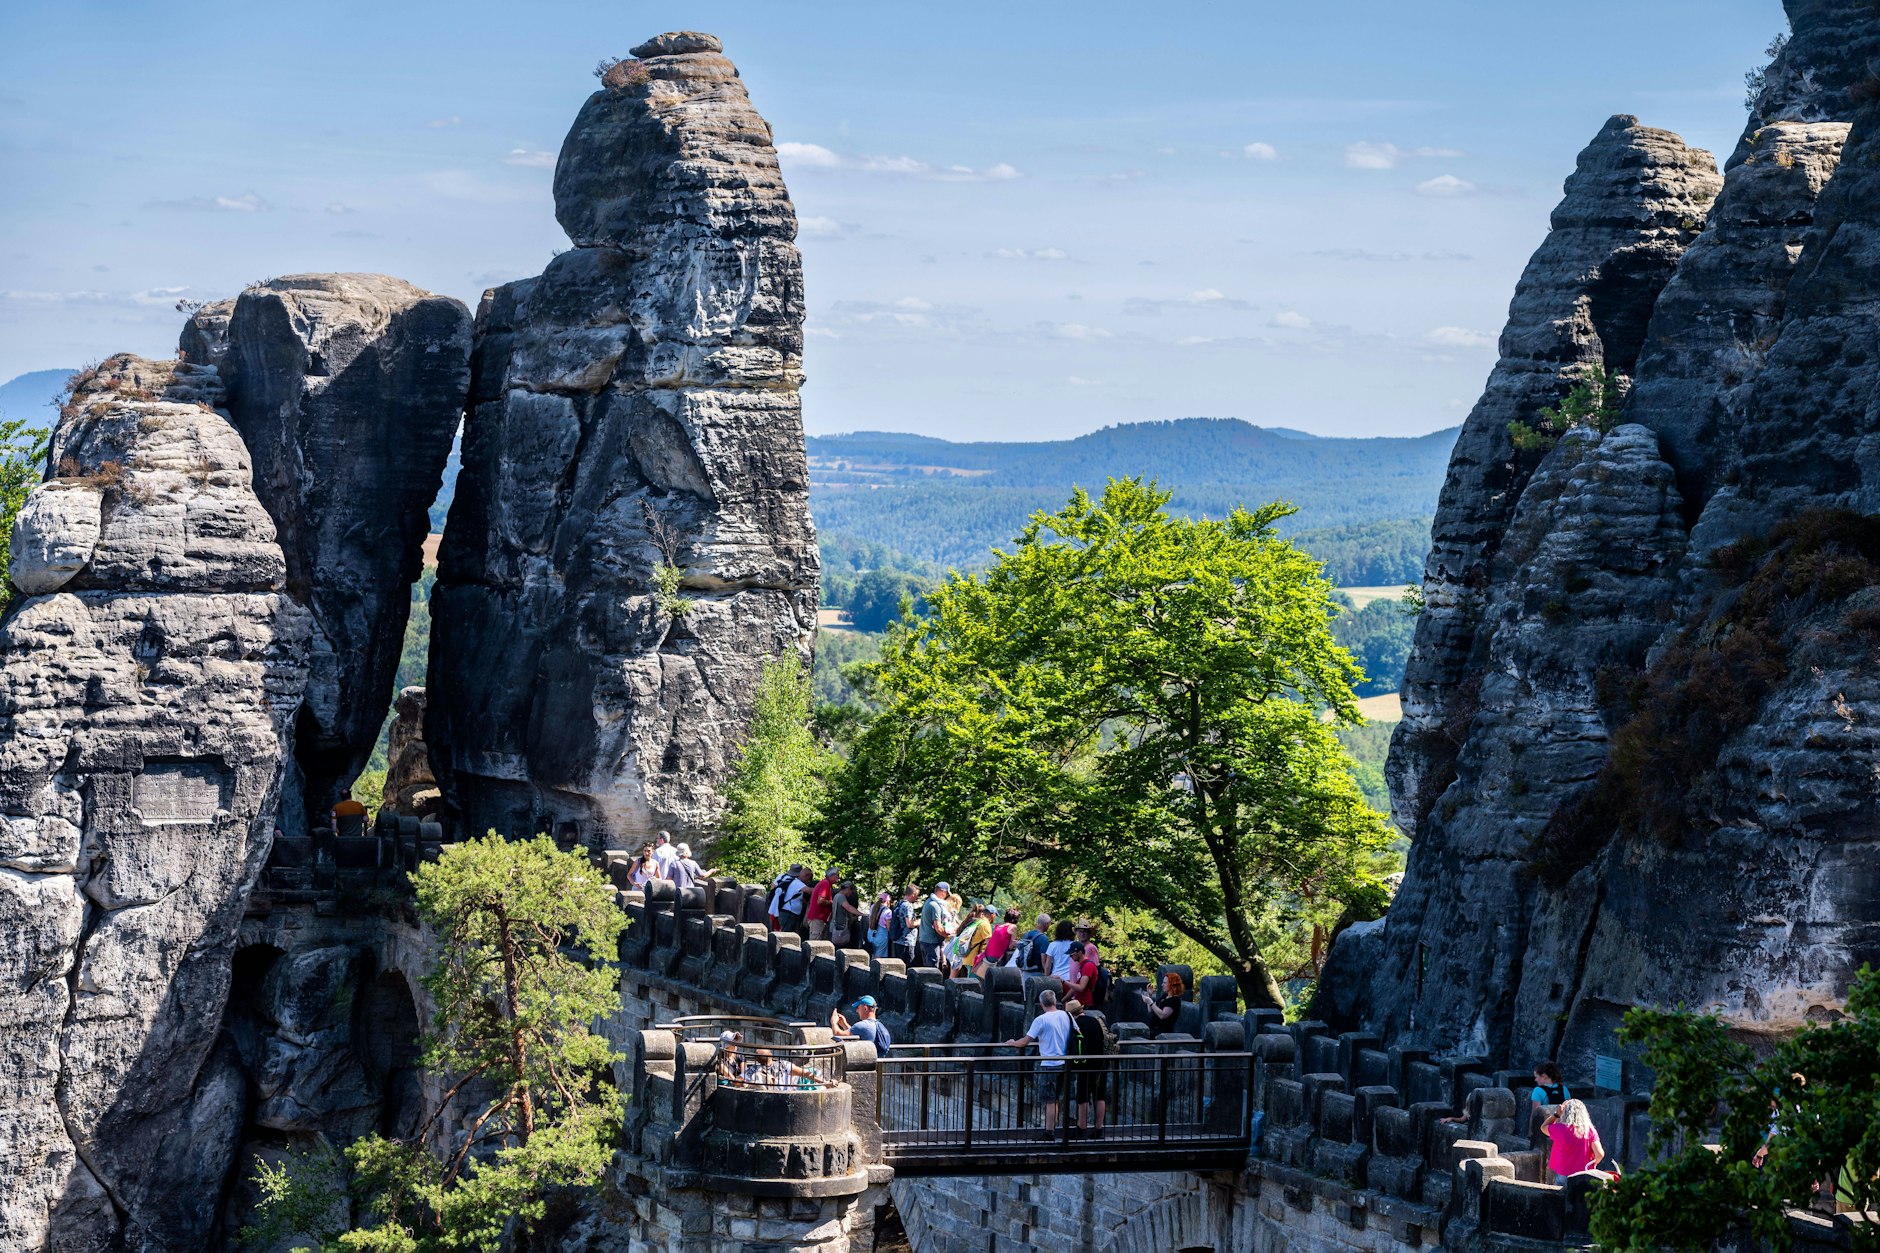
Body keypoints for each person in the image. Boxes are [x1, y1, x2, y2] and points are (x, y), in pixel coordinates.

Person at [1005, 989, 1074, 1136]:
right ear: (1055, 1001)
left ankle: (1049, 1132)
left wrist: (1013, 1043)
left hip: (1050, 1063)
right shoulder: (1066, 1015)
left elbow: (1025, 1041)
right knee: (1055, 1099)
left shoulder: (1041, 1020)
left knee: (1049, 1100)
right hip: (1065, 1063)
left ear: (1042, 1003)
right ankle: (1054, 1129)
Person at [1067, 997, 1109, 1137]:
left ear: (1071, 1014)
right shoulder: (1097, 1021)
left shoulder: (1076, 1025)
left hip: (1084, 1064)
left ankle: (1082, 1128)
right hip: (1101, 1063)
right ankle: (1099, 1129)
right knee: (1100, 1096)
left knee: (1083, 1097)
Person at [1542, 1099, 1608, 1183]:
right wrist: (1592, 1164)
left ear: (1565, 1113)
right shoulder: (1590, 1130)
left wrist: (1556, 1114)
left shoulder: (1560, 1129)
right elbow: (1600, 1154)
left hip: (1563, 1173)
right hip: (1583, 1175)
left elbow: (1543, 1127)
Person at [1529, 1061, 1570, 1140]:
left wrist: (1531, 1132)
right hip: (1561, 1128)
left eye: (1536, 1077)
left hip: (1546, 1128)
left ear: (1543, 1076)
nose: (1535, 1080)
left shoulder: (1537, 1091)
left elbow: (1535, 1114)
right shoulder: (1564, 1089)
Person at [917, 882, 954, 969]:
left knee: (926, 969)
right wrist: (948, 936)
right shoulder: (935, 906)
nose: (946, 896)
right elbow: (938, 928)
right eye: (946, 893)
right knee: (932, 970)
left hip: (923, 939)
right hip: (931, 942)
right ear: (942, 892)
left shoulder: (928, 902)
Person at [1142, 970, 1184, 1038]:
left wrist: (1150, 1002)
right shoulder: (1165, 996)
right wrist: (1149, 995)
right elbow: (1150, 1009)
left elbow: (1162, 1015)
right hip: (1153, 1031)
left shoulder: (1175, 1000)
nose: (1162, 985)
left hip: (1163, 1034)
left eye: (1164, 983)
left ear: (1171, 984)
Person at [957, 904, 993, 976]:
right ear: (992, 915)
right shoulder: (985, 924)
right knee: (973, 983)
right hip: (975, 960)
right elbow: (989, 942)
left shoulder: (978, 922)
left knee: (970, 982)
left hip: (969, 958)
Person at [806, 867, 840, 941]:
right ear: (832, 875)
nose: (838, 877)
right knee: (815, 941)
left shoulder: (826, 883)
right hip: (817, 917)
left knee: (818, 939)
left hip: (819, 918)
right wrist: (832, 902)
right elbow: (820, 901)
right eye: (837, 875)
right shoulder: (825, 884)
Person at [890, 884, 920, 964]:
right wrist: (920, 921)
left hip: (898, 939)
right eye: (917, 895)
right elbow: (909, 924)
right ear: (913, 894)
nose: (917, 897)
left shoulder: (899, 904)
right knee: (908, 966)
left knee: (899, 965)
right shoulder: (908, 906)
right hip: (906, 941)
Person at [779, 865, 812, 935]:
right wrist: (821, 887)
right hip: (788, 914)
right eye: (809, 879)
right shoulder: (797, 883)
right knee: (786, 934)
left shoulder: (793, 882)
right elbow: (810, 891)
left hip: (789, 913)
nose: (808, 882)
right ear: (805, 876)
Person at [767, 865, 802, 929]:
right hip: (788, 911)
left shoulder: (781, 877)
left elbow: (772, 887)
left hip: (777, 908)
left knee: (776, 930)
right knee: (785, 932)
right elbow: (809, 891)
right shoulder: (797, 882)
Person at [1061, 941, 1096, 1005]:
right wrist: (1062, 1001)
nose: (1070, 956)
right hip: (1078, 1002)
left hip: (1085, 1003)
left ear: (1079, 953)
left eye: (1072, 954)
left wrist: (1063, 981)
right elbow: (1075, 988)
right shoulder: (1081, 966)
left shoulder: (1088, 966)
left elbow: (1081, 988)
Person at [867, 890, 894, 957]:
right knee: (879, 957)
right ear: (888, 901)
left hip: (871, 933)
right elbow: (888, 927)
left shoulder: (873, 907)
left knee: (873, 954)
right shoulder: (887, 911)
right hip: (881, 936)